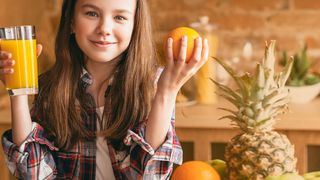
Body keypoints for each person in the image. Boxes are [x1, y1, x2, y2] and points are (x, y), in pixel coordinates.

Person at [0, 0, 209, 179]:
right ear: (71, 21)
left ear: (135, 26)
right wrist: (18, 90)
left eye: (120, 17)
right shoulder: (51, 88)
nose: (104, 28)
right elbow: (34, 175)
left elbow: (149, 176)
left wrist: (166, 93)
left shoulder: (155, 84)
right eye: (92, 13)